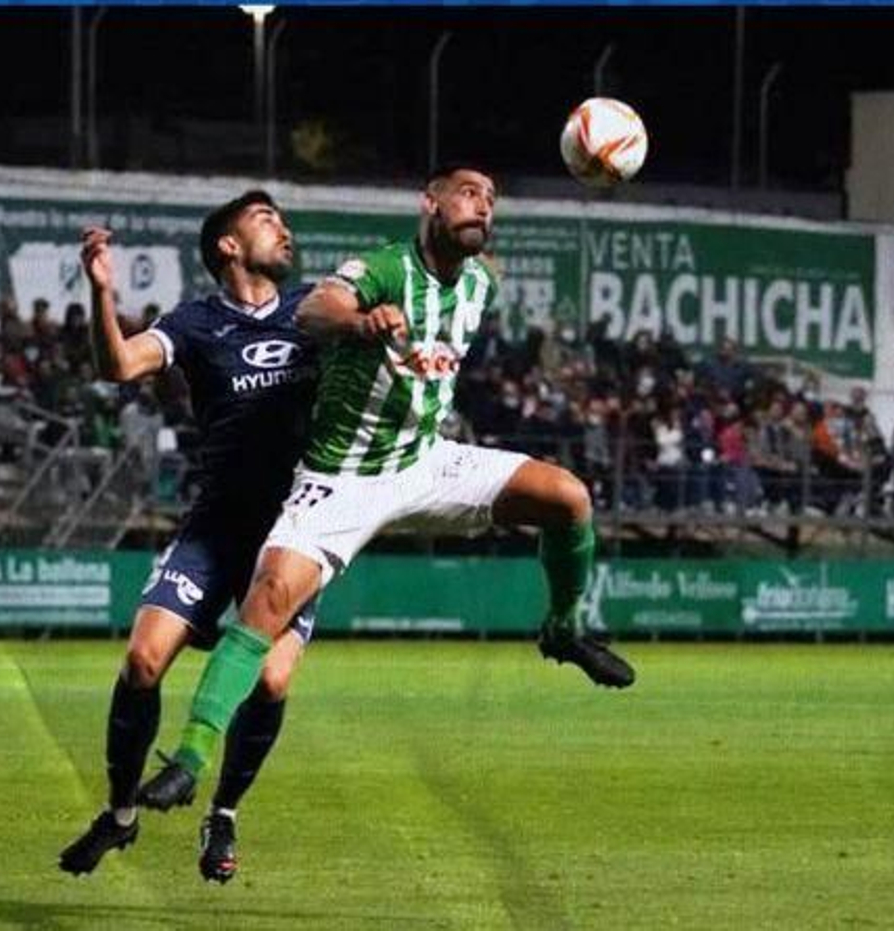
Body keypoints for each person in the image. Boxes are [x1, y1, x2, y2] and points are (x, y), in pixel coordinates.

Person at [142, 164, 634, 818]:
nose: (482, 205)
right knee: (266, 600)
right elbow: (319, 305)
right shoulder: (386, 267)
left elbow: (485, 268)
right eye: (467, 192)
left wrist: (589, 176)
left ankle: (563, 629)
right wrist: (359, 318)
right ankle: (190, 757)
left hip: (425, 460)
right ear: (427, 203)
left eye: (491, 199)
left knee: (568, 496)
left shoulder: (481, 279)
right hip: (341, 476)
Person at [58, 191, 324, 885]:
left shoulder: (314, 313)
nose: (284, 230)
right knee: (143, 661)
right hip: (214, 527)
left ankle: (224, 811)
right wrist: (103, 293)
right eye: (268, 219)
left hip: (293, 534)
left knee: (268, 677)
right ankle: (120, 815)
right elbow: (117, 365)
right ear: (229, 246)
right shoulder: (196, 322)